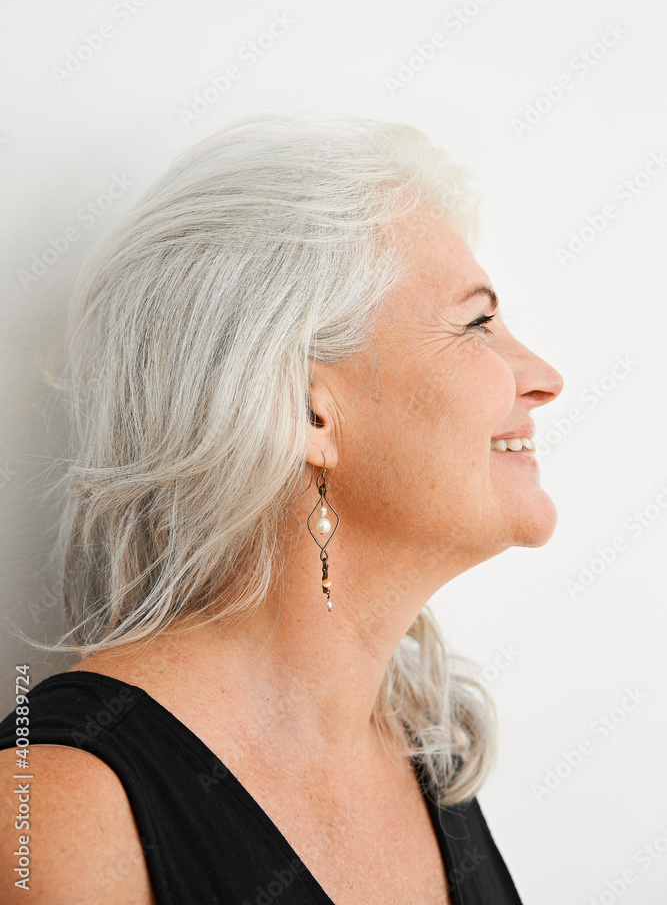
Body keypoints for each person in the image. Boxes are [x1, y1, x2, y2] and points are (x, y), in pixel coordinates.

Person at [0, 112, 563, 904]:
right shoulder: (63, 810)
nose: (545, 378)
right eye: (477, 324)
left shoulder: (427, 754)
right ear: (306, 410)